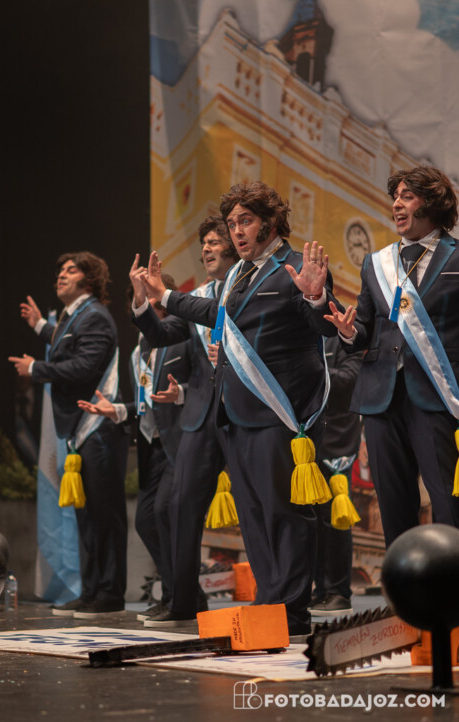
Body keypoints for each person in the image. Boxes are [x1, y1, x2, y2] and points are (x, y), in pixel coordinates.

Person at [133, 182, 342, 635]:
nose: (237, 231)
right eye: (231, 224)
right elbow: (215, 314)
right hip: (236, 416)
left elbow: (328, 325)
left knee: (284, 513)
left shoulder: (294, 267)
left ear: (270, 222)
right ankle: (270, 603)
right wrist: (163, 297)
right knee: (254, 516)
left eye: (245, 221)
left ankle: (292, 612)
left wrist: (316, 297)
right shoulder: (237, 275)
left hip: (280, 413)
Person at [326, 165, 459, 547]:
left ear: (431, 202)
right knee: (393, 508)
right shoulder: (376, 263)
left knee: (448, 506)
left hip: (439, 397)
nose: (396, 205)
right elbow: (363, 331)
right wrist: (348, 331)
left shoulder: (456, 258)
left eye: (407, 197)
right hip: (381, 398)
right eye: (395, 197)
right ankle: (402, 583)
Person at [130, 216, 238, 626]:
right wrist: (142, 301)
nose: (206, 248)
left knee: (260, 507)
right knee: (177, 509)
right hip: (200, 420)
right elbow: (159, 335)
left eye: (214, 241)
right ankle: (183, 603)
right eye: (203, 242)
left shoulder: (249, 288)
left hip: (247, 414)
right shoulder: (198, 299)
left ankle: (278, 604)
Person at [9, 252, 128, 617]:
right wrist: (39, 327)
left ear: (88, 281)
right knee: (87, 517)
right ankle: (91, 591)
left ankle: (109, 594)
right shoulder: (74, 317)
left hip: (99, 429)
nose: (61, 274)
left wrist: (36, 368)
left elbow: (84, 365)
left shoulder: (95, 316)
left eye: (70, 270)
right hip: (81, 430)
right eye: (60, 269)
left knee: (104, 516)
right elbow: (66, 342)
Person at [77, 277, 191, 621]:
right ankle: (180, 594)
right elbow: (145, 402)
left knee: (165, 513)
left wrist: (181, 392)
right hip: (149, 444)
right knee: (145, 521)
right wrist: (118, 411)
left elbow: (202, 383)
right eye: (139, 301)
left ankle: (179, 597)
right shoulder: (137, 351)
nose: (146, 306)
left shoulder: (184, 336)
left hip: (180, 440)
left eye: (151, 299)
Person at [309, 336, 363, 616]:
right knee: (312, 521)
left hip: (336, 441)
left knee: (334, 519)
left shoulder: (345, 338)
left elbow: (348, 380)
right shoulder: (303, 334)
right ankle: (320, 590)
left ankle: (338, 592)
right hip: (305, 441)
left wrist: (305, 367)